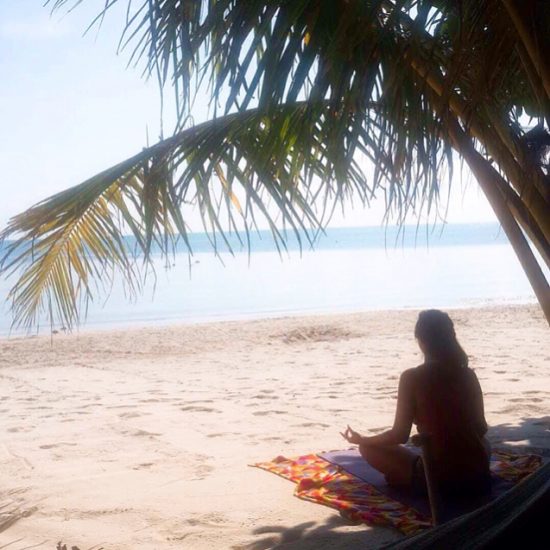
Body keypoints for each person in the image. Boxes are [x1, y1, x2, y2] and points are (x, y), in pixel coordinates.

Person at [341, 309, 491, 497]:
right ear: (451, 337)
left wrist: (363, 440)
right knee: (483, 443)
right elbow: (481, 429)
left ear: (420, 341)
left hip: (438, 480)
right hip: (478, 476)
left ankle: (407, 478)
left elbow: (399, 435)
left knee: (368, 449)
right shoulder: (468, 374)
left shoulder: (412, 377)